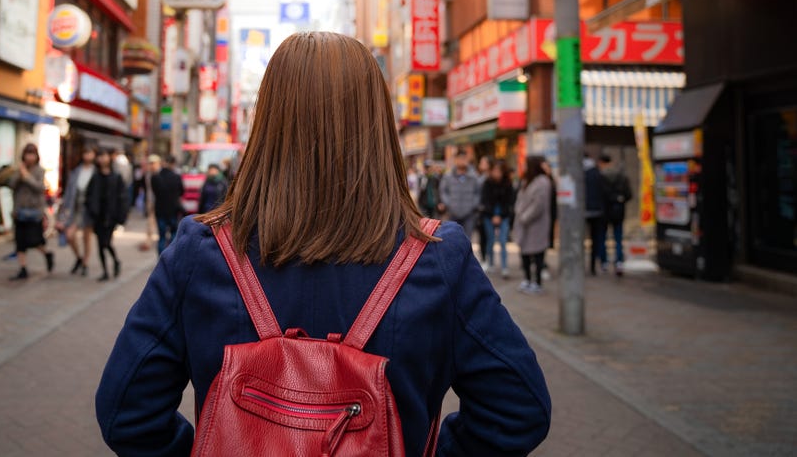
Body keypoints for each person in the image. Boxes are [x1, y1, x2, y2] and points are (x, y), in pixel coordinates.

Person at [96, 32, 550, 455]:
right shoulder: (436, 258)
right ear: (377, 124)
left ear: (267, 123)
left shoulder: (202, 250)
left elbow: (126, 413)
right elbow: (517, 411)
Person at [7, 144, 54, 281]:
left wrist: (26, 176)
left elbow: (40, 188)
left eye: (32, 154)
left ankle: (47, 254)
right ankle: (23, 269)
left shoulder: (40, 171)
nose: (29, 157)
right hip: (20, 211)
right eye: (28, 154)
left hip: (34, 211)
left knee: (35, 240)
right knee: (20, 241)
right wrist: (20, 174)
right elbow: (11, 185)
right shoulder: (19, 169)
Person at [86, 150, 129, 282]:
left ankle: (116, 261)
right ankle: (105, 270)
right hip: (98, 215)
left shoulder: (116, 176)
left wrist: (121, 216)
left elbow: (123, 198)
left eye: (104, 156)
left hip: (111, 216)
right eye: (100, 156)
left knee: (106, 242)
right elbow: (89, 195)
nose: (102, 159)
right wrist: (91, 210)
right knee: (100, 244)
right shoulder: (95, 177)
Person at [513, 157, 554, 294]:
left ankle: (537, 282)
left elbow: (538, 205)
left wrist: (525, 217)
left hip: (537, 224)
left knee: (537, 253)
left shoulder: (543, 181)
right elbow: (519, 199)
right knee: (524, 252)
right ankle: (527, 279)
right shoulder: (526, 180)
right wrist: (519, 212)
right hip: (524, 222)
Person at [57, 146, 96, 277]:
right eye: (85, 153)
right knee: (70, 235)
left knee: (87, 237)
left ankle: (85, 263)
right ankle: (79, 257)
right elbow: (69, 192)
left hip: (89, 209)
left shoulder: (96, 172)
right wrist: (65, 210)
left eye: (89, 153)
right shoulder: (76, 171)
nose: (87, 156)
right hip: (75, 208)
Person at [480, 160, 516, 278]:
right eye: (494, 170)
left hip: (504, 216)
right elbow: (485, 201)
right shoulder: (487, 183)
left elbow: (510, 202)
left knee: (503, 241)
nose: (496, 173)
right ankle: (490, 263)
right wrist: (492, 215)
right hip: (488, 216)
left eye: (499, 171)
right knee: (490, 240)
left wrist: (500, 215)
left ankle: (505, 267)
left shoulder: (508, 184)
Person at [439, 150, 482, 243]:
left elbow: (478, 193)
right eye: (460, 158)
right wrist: (449, 204)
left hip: (469, 215)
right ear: (456, 160)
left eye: (464, 158)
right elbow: (443, 191)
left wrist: (472, 205)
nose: (462, 161)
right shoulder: (448, 176)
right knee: (453, 241)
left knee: (467, 241)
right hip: (452, 214)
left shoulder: (474, 176)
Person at [599, 154, 632, 276]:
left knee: (603, 238)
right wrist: (620, 199)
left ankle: (604, 263)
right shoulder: (622, 176)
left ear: (602, 162)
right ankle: (619, 262)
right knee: (618, 238)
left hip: (604, 212)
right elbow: (629, 195)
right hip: (618, 211)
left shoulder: (601, 176)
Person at [149, 154, 184, 254]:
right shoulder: (176, 177)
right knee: (173, 234)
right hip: (173, 210)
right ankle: (171, 257)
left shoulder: (155, 177)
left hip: (160, 210)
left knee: (161, 236)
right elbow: (181, 192)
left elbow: (154, 192)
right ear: (173, 164)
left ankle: (161, 258)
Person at [584, 154, 608, 275]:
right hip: (597, 211)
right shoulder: (598, 174)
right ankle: (593, 265)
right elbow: (604, 193)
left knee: (579, 240)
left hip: (582, 212)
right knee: (596, 239)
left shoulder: (580, 173)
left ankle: (579, 265)